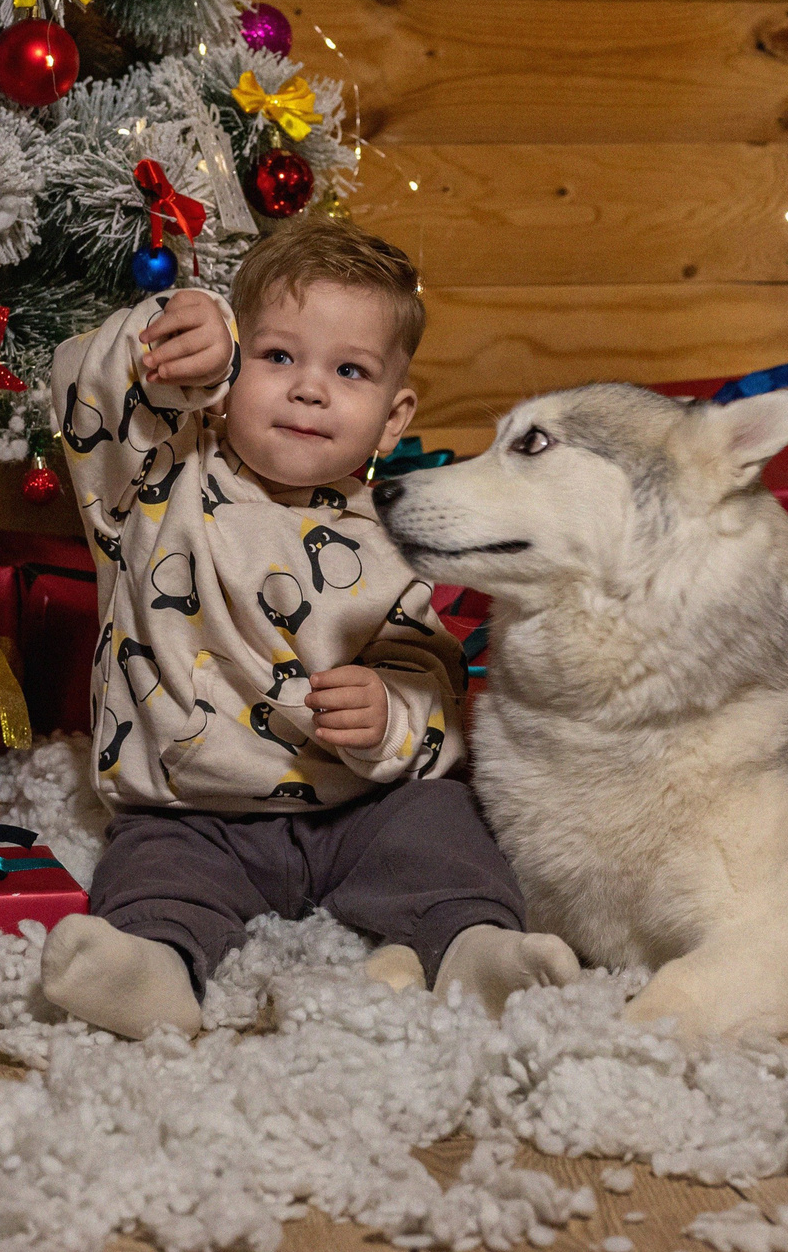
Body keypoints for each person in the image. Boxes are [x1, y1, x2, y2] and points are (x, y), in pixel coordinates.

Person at [39, 217, 578, 1037]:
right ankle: (152, 965)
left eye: (349, 369)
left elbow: (435, 684)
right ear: (231, 363)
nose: (309, 387)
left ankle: (473, 945)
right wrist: (167, 344)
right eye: (277, 356)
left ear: (393, 418)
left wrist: (389, 712)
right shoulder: (158, 480)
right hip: (191, 807)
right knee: (150, 873)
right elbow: (85, 390)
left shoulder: (395, 539)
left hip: (352, 810)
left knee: (443, 826)